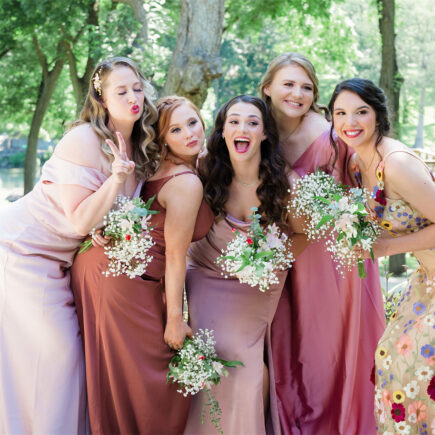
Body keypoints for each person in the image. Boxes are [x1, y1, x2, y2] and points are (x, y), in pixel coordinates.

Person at [0, 56, 157, 434]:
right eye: (121, 91)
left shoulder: (143, 144)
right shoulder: (82, 139)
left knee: (68, 359)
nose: (133, 97)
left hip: (62, 262)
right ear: (102, 98)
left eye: (137, 88)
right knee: (60, 355)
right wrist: (115, 180)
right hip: (24, 251)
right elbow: (80, 220)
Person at [70, 95, 214, 434]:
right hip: (121, 281)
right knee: (148, 381)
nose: (189, 134)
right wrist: (175, 321)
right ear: (163, 140)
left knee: (130, 380)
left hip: (122, 272)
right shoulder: (186, 182)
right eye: (175, 130)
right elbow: (177, 255)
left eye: (192, 123)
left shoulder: (172, 167)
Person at [259, 53, 385, 434]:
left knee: (327, 351)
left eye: (307, 87)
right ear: (267, 88)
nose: (297, 93)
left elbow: (372, 181)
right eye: (288, 84)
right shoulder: (257, 129)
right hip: (283, 255)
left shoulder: (330, 133)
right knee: (288, 348)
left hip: (334, 261)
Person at [184, 95, 299, 435]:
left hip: (260, 282)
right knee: (212, 356)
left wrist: (271, 257)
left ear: (265, 134)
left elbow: (305, 235)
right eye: (233, 121)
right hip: (206, 273)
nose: (242, 128)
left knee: (247, 367)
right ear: (222, 131)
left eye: (252, 122)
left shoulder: (283, 182)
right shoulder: (204, 170)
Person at [329, 77, 435, 434]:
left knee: (414, 368)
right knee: (391, 361)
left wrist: (387, 248)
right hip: (426, 279)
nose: (350, 122)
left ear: (378, 115)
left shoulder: (396, 164)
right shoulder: (360, 164)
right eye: (340, 113)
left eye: (361, 112)